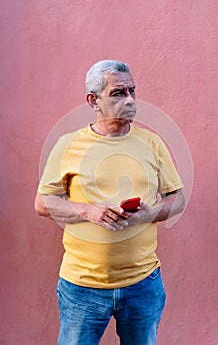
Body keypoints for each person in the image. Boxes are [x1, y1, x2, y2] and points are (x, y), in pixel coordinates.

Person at [35, 59, 185, 345]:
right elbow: (42, 203)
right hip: (81, 287)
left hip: (143, 284)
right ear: (93, 100)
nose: (130, 100)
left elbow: (177, 198)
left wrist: (150, 214)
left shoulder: (152, 143)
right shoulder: (68, 144)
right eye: (118, 93)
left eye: (132, 91)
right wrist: (86, 211)